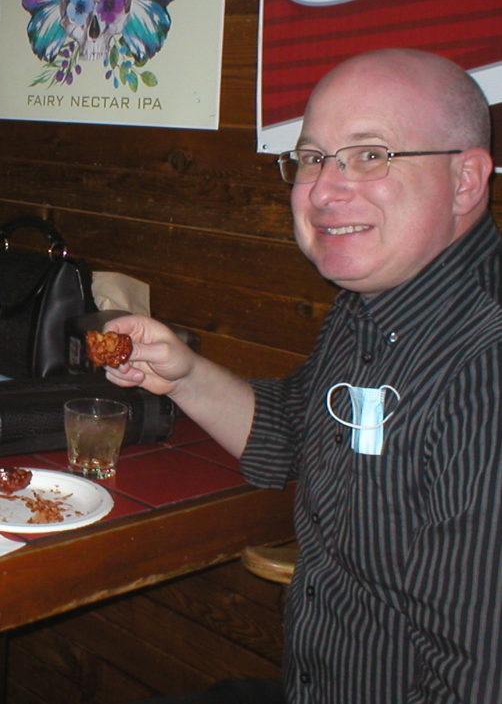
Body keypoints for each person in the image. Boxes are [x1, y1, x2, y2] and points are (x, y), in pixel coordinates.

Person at [104, 49, 500, 704]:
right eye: (313, 157)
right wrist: (183, 376)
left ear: (465, 181)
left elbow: (476, 681)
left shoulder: (485, 370)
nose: (321, 191)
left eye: (370, 155)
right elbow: (293, 427)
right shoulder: (372, 305)